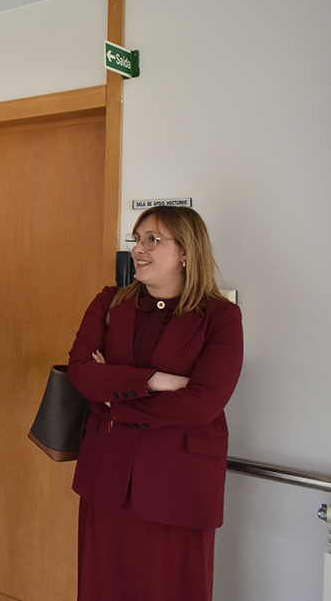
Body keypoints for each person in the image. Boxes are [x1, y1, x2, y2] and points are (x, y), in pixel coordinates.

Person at [67, 206, 243, 601]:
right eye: (137, 238)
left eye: (153, 239)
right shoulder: (109, 303)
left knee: (172, 588)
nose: (138, 249)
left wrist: (114, 398)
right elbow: (80, 372)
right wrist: (153, 381)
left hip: (179, 484)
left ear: (186, 252)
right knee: (103, 588)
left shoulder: (221, 317)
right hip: (107, 477)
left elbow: (202, 404)